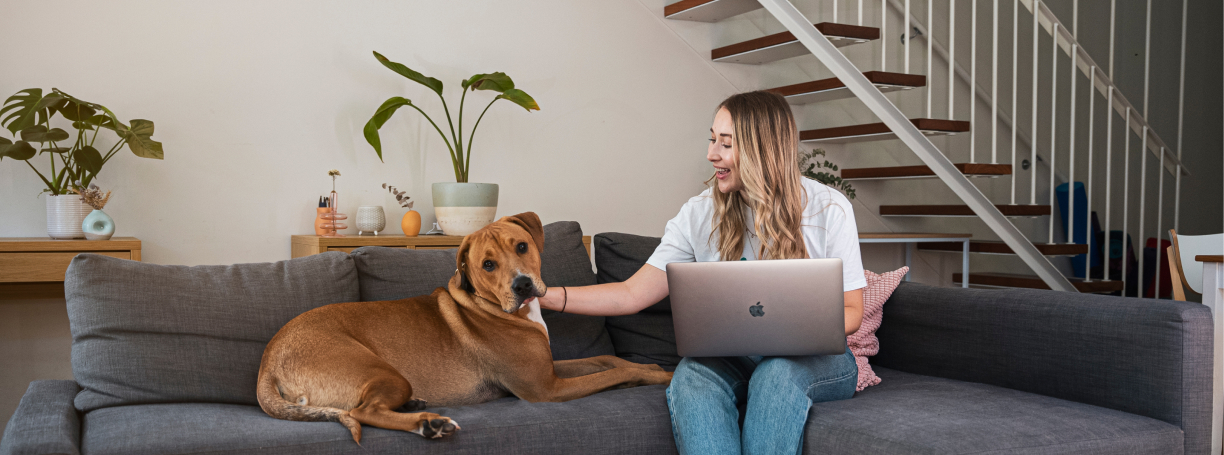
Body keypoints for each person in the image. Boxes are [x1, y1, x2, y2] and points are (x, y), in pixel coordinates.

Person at [537, 90, 866, 455]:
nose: (711, 154)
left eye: (725, 144)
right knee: (693, 375)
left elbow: (852, 312)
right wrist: (546, 295)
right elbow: (631, 294)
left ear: (762, 149)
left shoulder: (829, 209)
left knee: (777, 375)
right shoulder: (699, 214)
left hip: (817, 360)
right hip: (736, 356)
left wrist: (795, 332)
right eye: (712, 140)